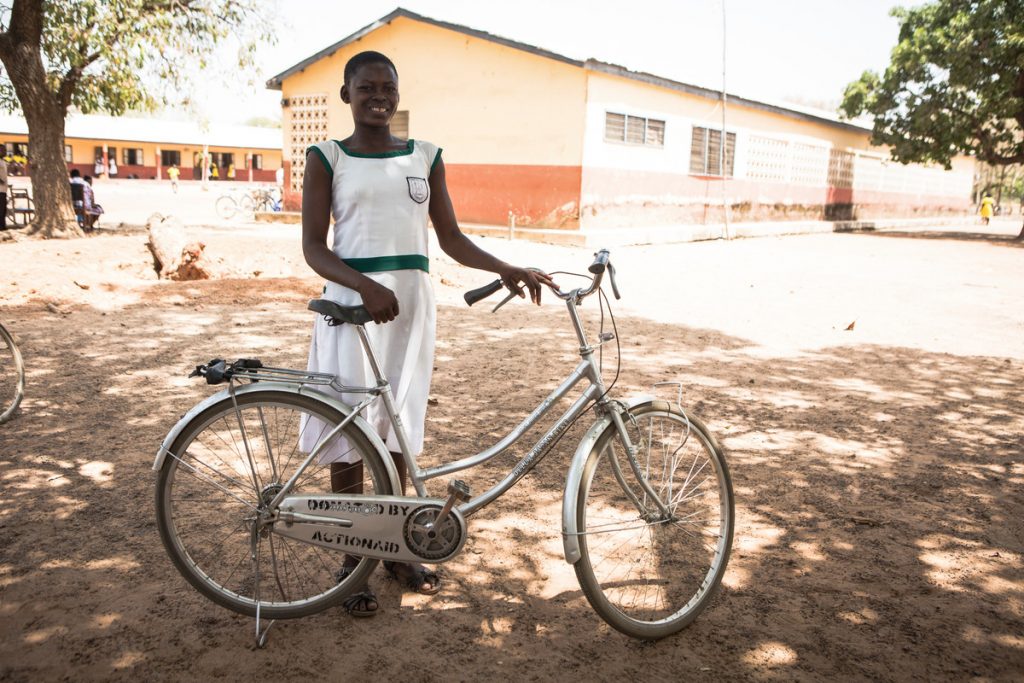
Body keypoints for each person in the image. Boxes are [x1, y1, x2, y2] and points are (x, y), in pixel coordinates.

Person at [301, 50, 554, 618]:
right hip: (353, 305)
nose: (377, 97)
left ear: (398, 93)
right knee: (351, 430)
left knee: (397, 427)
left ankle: (391, 547)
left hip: (410, 307)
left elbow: (451, 238)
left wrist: (504, 268)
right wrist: (364, 286)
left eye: (386, 87)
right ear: (347, 96)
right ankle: (351, 558)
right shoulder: (327, 158)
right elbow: (315, 247)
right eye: (365, 88)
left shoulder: (425, 157)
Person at [0, 144, 8, 230]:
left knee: (3, 209)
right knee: (1, 209)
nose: (5, 152)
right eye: (3, 150)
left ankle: (3, 226)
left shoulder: (3, 161)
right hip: (0, 189)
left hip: (4, 189)